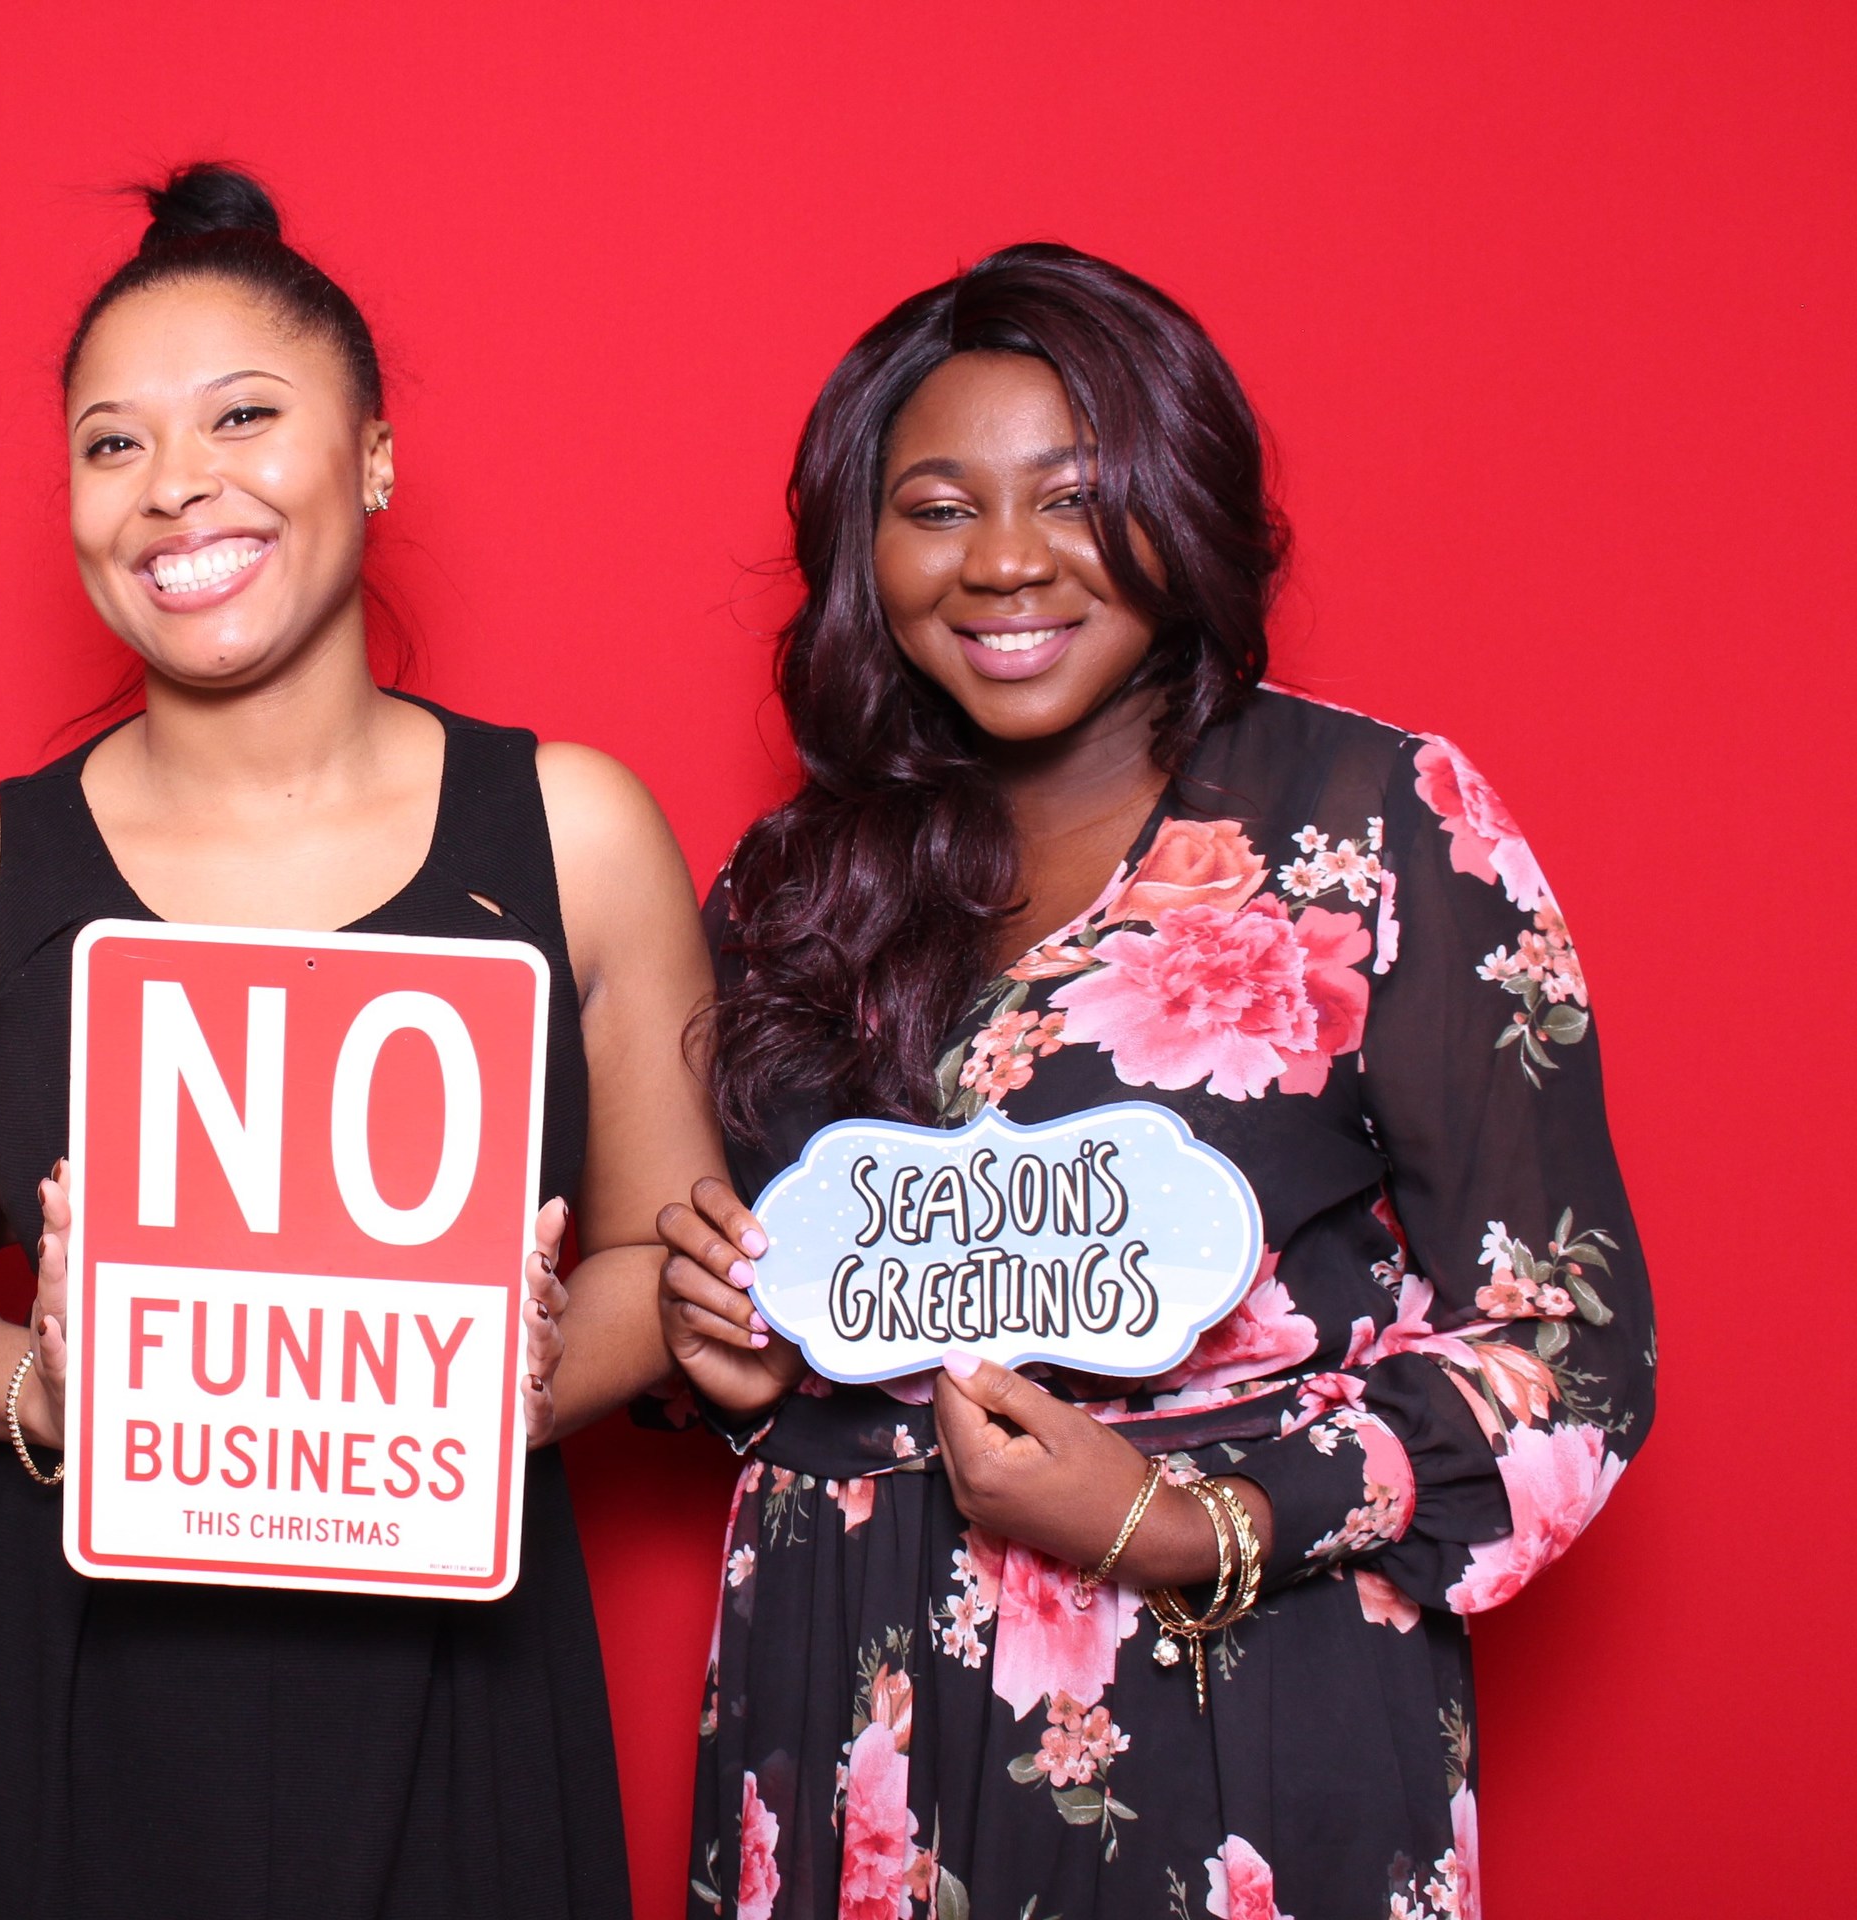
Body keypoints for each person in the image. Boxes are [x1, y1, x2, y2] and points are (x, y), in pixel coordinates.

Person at [655, 245, 1652, 1919]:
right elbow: (788, 1297)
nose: (1007, 561)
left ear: (1181, 507)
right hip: (845, 1691)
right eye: (939, 509)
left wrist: (1201, 1522)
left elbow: (1569, 1352)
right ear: (864, 551)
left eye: (1075, 497)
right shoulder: (794, 878)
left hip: (1225, 1699)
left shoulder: (1375, 826)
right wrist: (734, 1367)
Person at [0, 164, 722, 1920]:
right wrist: (51, 1390)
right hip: (56, 1688)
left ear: (375, 458)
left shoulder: (575, 833)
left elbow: (670, 1256)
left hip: (448, 1683)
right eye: (113, 444)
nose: (175, 483)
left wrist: (491, 1395)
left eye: (243, 416)